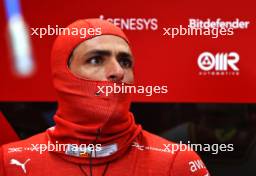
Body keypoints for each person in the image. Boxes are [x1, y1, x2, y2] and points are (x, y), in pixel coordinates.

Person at [0, 19, 210, 176]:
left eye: (125, 62)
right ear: (63, 73)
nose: (117, 71)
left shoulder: (176, 163)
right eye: (96, 60)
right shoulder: (11, 162)